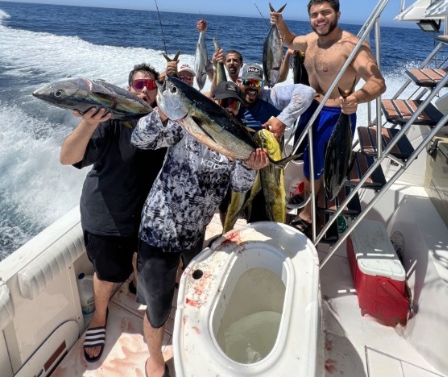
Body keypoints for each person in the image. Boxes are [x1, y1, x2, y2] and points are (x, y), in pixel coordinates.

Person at [131, 83, 269, 377]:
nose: (228, 108)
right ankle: (154, 359)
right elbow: (141, 138)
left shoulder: (237, 140)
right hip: (160, 228)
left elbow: (241, 186)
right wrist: (163, 112)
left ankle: (183, 316)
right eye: (223, 103)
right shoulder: (184, 126)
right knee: (156, 308)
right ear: (211, 105)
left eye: (234, 104)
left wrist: (252, 165)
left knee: (189, 285)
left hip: (195, 233)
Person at [59, 63, 166, 363]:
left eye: (150, 85)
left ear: (158, 91)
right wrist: (89, 123)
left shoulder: (166, 122)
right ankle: (99, 316)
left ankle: (135, 283)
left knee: (140, 261)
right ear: (128, 90)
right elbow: (67, 157)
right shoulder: (111, 121)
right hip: (108, 217)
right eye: (138, 85)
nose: (144, 91)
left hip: (146, 217)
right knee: (107, 275)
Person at [270, 0, 386, 234]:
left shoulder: (353, 46)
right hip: (309, 106)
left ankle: (308, 214)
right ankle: (311, 189)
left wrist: (355, 98)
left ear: (338, 14)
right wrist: (280, 23)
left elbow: (377, 82)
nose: (319, 18)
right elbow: (290, 41)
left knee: (317, 163)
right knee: (305, 155)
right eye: (314, 14)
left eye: (325, 13)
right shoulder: (311, 40)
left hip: (335, 114)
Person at [234, 63, 316, 222]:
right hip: (238, 165)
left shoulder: (271, 96)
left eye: (257, 83)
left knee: (262, 216)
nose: (253, 87)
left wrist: (283, 119)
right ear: (238, 81)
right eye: (248, 82)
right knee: (232, 208)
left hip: (267, 168)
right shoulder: (230, 97)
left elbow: (308, 91)